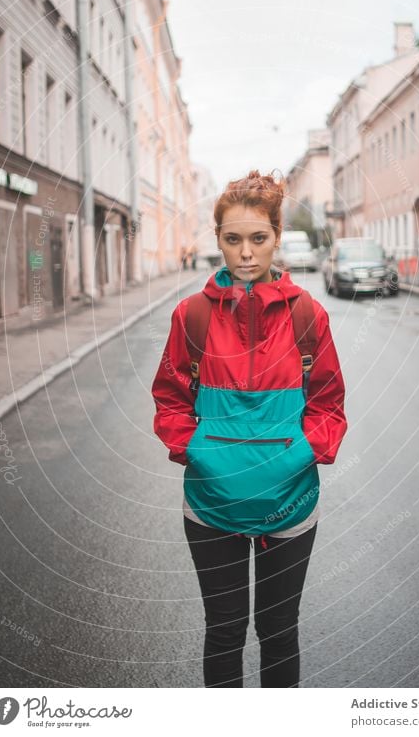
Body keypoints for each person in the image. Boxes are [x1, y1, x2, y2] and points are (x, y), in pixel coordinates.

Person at [151, 169, 348, 688]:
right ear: (216, 239)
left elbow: (328, 405)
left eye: (258, 238)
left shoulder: (309, 317)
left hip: (291, 505)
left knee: (279, 632)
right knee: (224, 632)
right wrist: (198, 451)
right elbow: (170, 400)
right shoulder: (190, 316)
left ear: (277, 238)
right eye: (232, 239)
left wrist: (295, 458)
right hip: (211, 506)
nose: (245, 253)